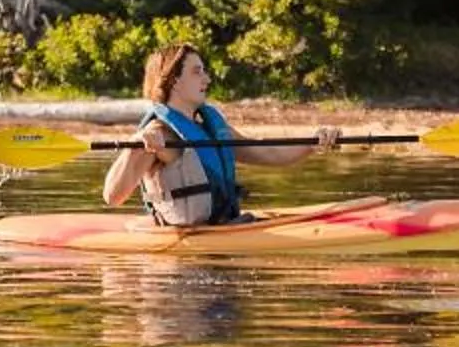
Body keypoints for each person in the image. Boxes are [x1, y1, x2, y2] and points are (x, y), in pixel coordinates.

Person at [101, 43, 341, 225]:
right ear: (173, 81)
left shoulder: (210, 127)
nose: (207, 78)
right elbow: (112, 196)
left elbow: (268, 152)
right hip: (184, 270)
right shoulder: (159, 133)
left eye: (204, 71)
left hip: (225, 228)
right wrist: (136, 144)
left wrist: (314, 142)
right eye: (197, 72)